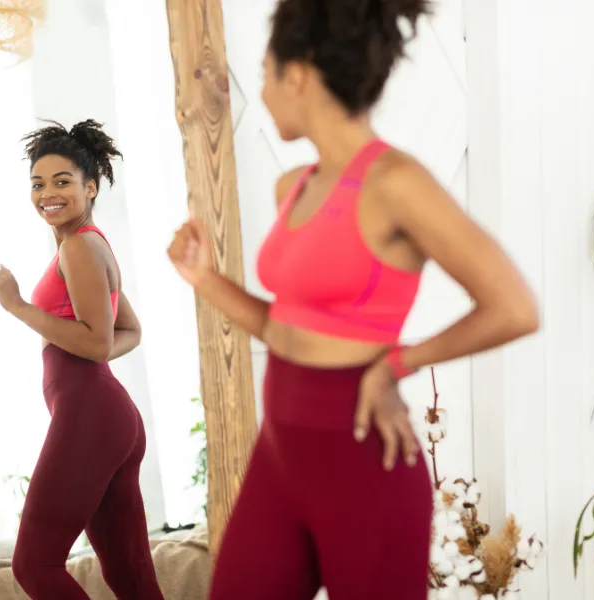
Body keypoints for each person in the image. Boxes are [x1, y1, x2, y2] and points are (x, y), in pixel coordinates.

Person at [167, 1, 540, 599]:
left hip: (365, 466)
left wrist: (398, 362)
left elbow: (514, 306)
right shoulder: (296, 186)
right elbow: (286, 327)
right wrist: (206, 278)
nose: (259, 93)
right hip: (280, 459)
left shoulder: (396, 183)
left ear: (297, 76)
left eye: (264, 74)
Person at [0, 119, 164, 600]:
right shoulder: (88, 242)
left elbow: (97, 344)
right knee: (130, 578)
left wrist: (18, 306)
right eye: (38, 183)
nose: (47, 193)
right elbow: (128, 332)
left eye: (62, 181)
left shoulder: (79, 247)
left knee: (35, 565)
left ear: (90, 187)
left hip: (90, 415)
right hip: (109, 417)